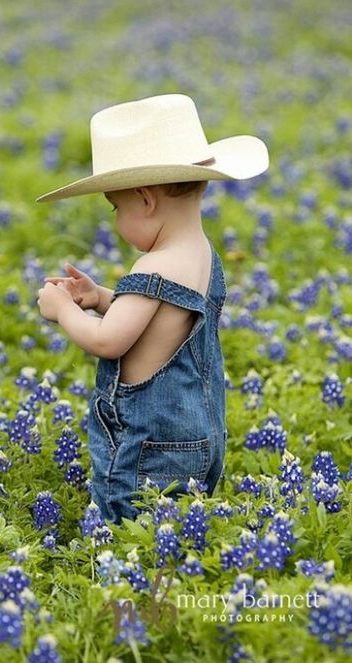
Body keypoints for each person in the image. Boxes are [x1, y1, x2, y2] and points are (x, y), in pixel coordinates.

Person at [36, 94, 269, 524]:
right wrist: (101, 297)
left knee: (128, 533)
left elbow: (108, 340)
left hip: (146, 444)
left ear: (145, 200)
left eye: (115, 208)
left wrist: (64, 310)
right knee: (178, 531)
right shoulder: (200, 254)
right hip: (200, 436)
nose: (115, 221)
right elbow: (163, 314)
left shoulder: (155, 265)